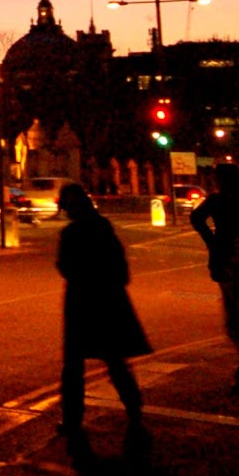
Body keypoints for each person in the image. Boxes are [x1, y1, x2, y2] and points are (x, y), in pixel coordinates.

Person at [56, 183, 151, 460]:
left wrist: (82, 277)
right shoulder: (103, 227)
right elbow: (121, 267)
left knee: (74, 366)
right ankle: (134, 411)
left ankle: (72, 420)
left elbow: (64, 266)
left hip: (81, 302)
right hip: (109, 301)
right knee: (115, 361)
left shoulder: (72, 233)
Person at [189, 162, 239, 394]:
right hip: (238, 257)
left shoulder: (217, 200)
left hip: (226, 258)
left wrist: (211, 240)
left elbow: (196, 218)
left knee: (235, 316)